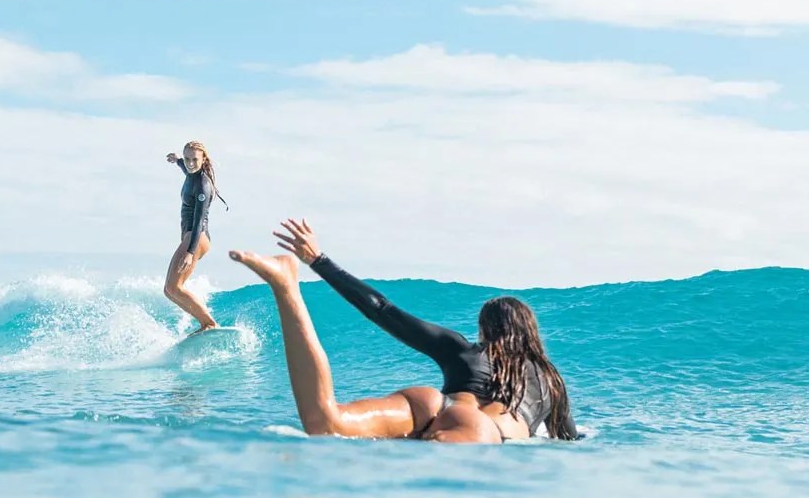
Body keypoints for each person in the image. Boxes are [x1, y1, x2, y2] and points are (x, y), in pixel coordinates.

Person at [230, 218, 578, 443]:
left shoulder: (462, 350)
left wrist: (319, 261)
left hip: (430, 403)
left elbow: (382, 309)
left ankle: (287, 286)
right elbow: (568, 442)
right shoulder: (551, 381)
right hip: (486, 431)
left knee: (326, 423)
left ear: (485, 331)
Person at [163, 141, 228, 333]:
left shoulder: (203, 185)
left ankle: (209, 323)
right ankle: (205, 322)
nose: (190, 163)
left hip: (196, 238)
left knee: (174, 287)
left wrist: (190, 252)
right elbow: (186, 168)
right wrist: (177, 161)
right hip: (190, 237)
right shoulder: (191, 172)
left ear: (203, 159)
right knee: (169, 290)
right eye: (188, 159)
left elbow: (199, 220)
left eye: (195, 160)